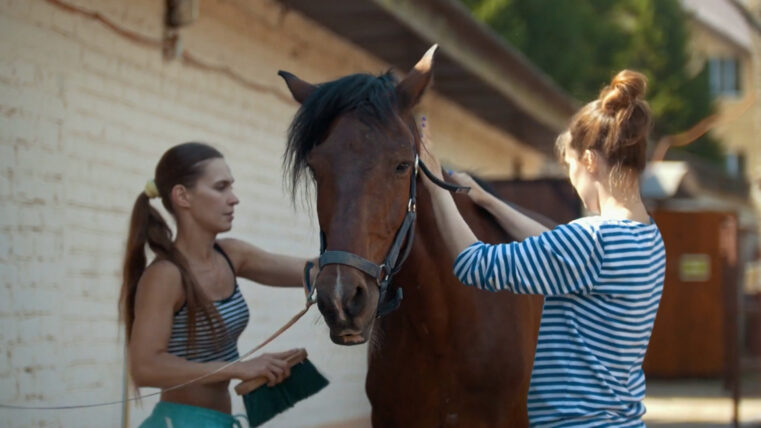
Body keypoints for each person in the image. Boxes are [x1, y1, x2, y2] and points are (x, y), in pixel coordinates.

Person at [420, 70, 665, 427]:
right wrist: (488, 201)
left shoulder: (590, 240)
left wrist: (434, 184)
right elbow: (555, 247)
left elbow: (474, 264)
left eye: (570, 167)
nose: (573, 180)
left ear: (591, 161)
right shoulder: (647, 237)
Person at [119, 142, 314, 427]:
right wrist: (238, 368)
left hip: (219, 421)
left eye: (231, 187)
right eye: (221, 187)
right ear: (182, 196)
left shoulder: (231, 255)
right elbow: (145, 367)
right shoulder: (165, 275)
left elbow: (311, 271)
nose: (234, 199)